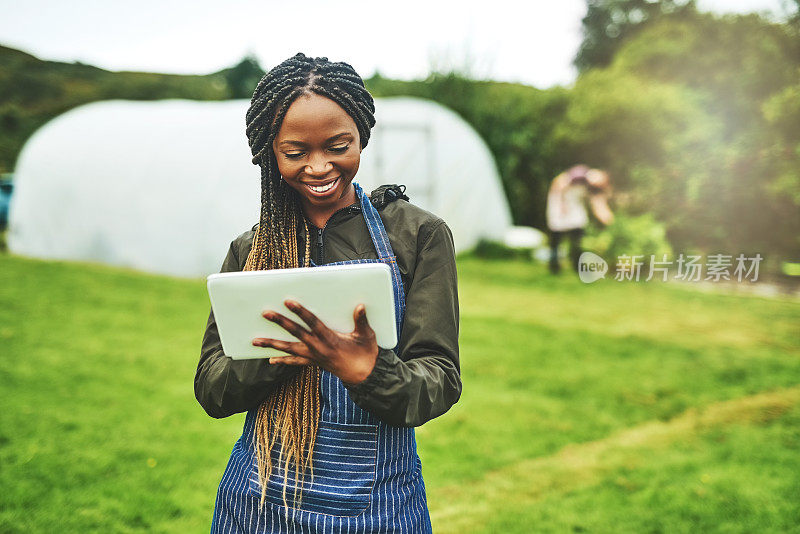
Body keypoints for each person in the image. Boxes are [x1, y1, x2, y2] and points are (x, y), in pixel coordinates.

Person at [194, 53, 461, 533]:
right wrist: (279, 351)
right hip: (258, 502)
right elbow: (212, 389)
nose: (318, 167)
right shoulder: (252, 249)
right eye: (295, 153)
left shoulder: (418, 235)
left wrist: (370, 372)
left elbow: (440, 378)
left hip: (378, 507)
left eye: (339, 145)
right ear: (269, 152)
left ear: (362, 135)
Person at [546, 165, 614, 274]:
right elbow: (558, 184)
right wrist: (562, 205)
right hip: (560, 203)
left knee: (578, 234)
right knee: (557, 236)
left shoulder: (594, 188)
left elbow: (598, 205)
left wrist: (609, 220)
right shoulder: (579, 173)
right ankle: (554, 265)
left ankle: (578, 265)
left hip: (574, 206)